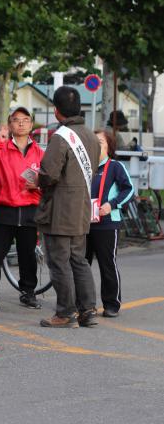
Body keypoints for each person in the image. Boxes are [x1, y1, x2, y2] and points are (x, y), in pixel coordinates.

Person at [35, 86, 100, 328]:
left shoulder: (61, 136)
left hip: (59, 210)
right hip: (81, 207)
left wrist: (36, 179)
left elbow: (49, 174)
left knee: (59, 261)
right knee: (78, 260)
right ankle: (88, 310)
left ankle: (65, 312)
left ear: (56, 111)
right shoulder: (92, 136)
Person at [0, 107, 44, 310]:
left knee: (28, 255)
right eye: (16, 120)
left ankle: (28, 291)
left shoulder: (40, 152)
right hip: (3, 209)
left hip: (30, 210)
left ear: (31, 124)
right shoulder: (0, 148)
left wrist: (39, 184)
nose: (21, 123)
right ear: (10, 124)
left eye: (25, 119)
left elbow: (50, 178)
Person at [85, 130, 134, 318]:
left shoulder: (115, 167)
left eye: (101, 142)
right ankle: (83, 302)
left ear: (109, 147)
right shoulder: (85, 166)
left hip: (107, 223)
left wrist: (112, 204)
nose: (97, 146)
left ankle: (112, 304)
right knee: (81, 264)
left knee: (107, 264)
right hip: (84, 223)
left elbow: (128, 190)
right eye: (93, 142)